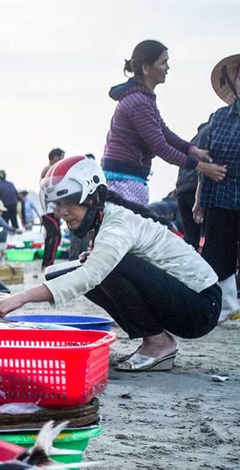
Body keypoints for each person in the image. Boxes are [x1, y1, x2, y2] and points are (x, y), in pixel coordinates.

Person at [0, 156, 220, 372]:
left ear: (93, 197)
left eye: (69, 202)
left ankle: (157, 342)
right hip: (187, 300)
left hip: (201, 307)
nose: (62, 212)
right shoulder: (106, 218)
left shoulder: (116, 224)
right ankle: (159, 338)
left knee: (104, 269)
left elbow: (91, 275)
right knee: (62, 273)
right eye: (57, 204)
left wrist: (20, 297)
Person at [101, 40, 226, 206]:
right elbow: (160, 147)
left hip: (126, 176)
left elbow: (164, 133)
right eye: (163, 62)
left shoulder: (143, 98)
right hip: (123, 179)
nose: (168, 68)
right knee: (132, 230)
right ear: (146, 68)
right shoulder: (139, 103)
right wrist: (202, 168)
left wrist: (192, 150)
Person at [194, 54, 240, 322]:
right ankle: (225, 306)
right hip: (219, 194)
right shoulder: (220, 117)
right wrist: (199, 198)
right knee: (216, 253)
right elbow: (206, 158)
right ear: (233, 83)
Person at [175, 118, 212, 250]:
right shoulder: (217, 131)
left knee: (190, 241)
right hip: (198, 187)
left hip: (181, 188)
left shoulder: (196, 137)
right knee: (211, 241)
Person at [40, 148, 65, 268]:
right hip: (49, 210)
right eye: (61, 157)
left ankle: (46, 263)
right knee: (55, 236)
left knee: (50, 237)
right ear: (55, 157)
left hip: (51, 209)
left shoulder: (52, 169)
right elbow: (49, 189)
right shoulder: (48, 169)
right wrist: (56, 206)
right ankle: (49, 264)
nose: (62, 160)